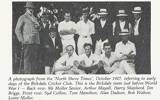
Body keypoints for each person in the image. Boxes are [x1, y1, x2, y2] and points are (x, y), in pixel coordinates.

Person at [15, 2, 40, 74]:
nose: (31, 10)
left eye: (32, 8)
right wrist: (21, 40)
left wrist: (38, 27)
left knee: (34, 59)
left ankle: (33, 74)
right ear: (26, 9)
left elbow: (38, 29)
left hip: (36, 41)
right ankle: (27, 75)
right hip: (27, 42)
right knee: (27, 59)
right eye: (29, 8)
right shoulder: (22, 17)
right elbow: (17, 30)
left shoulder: (35, 18)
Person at [131, 6, 150, 74]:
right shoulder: (134, 22)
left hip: (141, 42)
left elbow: (145, 33)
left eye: (136, 14)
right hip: (135, 41)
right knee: (136, 56)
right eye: (134, 13)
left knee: (141, 56)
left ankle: (141, 71)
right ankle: (137, 71)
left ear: (139, 14)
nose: (135, 15)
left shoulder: (143, 22)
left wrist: (142, 42)